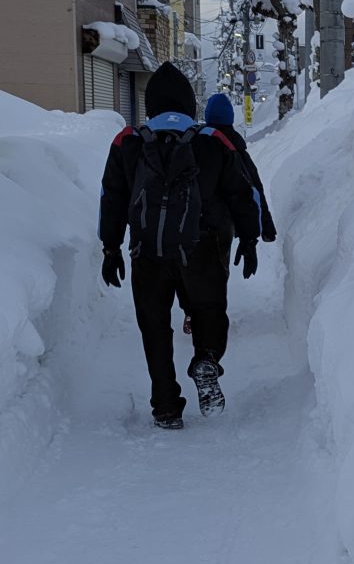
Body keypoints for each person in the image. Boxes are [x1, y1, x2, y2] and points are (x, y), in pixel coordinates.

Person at [98, 63, 262, 430]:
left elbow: (112, 197)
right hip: (202, 248)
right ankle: (206, 359)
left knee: (154, 326)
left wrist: (111, 248)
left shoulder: (128, 141)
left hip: (147, 250)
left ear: (150, 104)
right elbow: (241, 193)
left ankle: (166, 407)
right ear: (190, 105)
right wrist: (249, 240)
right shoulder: (212, 140)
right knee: (208, 311)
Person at [177, 93, 276, 335]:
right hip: (222, 225)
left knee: (186, 269)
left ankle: (190, 311)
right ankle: (213, 317)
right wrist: (259, 232)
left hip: (188, 221)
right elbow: (252, 192)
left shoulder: (191, 141)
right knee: (217, 270)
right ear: (230, 118)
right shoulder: (235, 147)